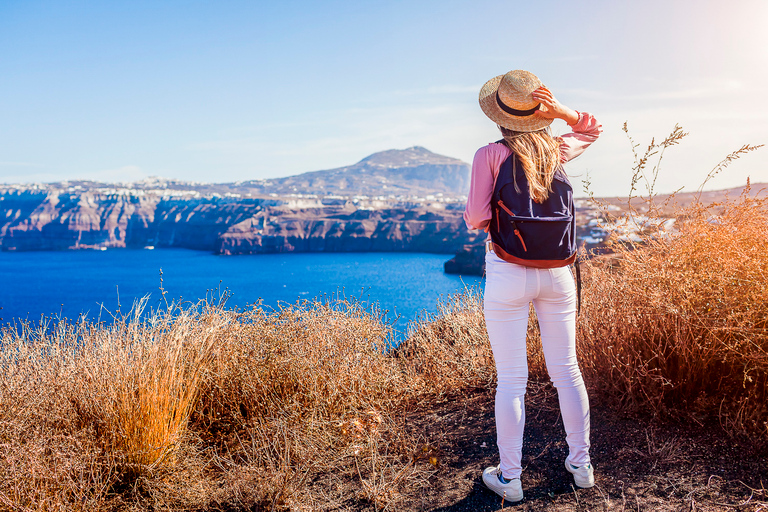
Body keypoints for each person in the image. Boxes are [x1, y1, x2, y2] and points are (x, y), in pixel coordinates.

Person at [464, 69, 602, 502]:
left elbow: (476, 218)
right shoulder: (557, 150)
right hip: (558, 274)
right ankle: (581, 465)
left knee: (512, 379)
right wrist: (561, 111)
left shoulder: (490, 154)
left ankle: (510, 478)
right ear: (538, 114)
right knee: (567, 371)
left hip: (507, 271)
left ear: (499, 115)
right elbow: (591, 128)